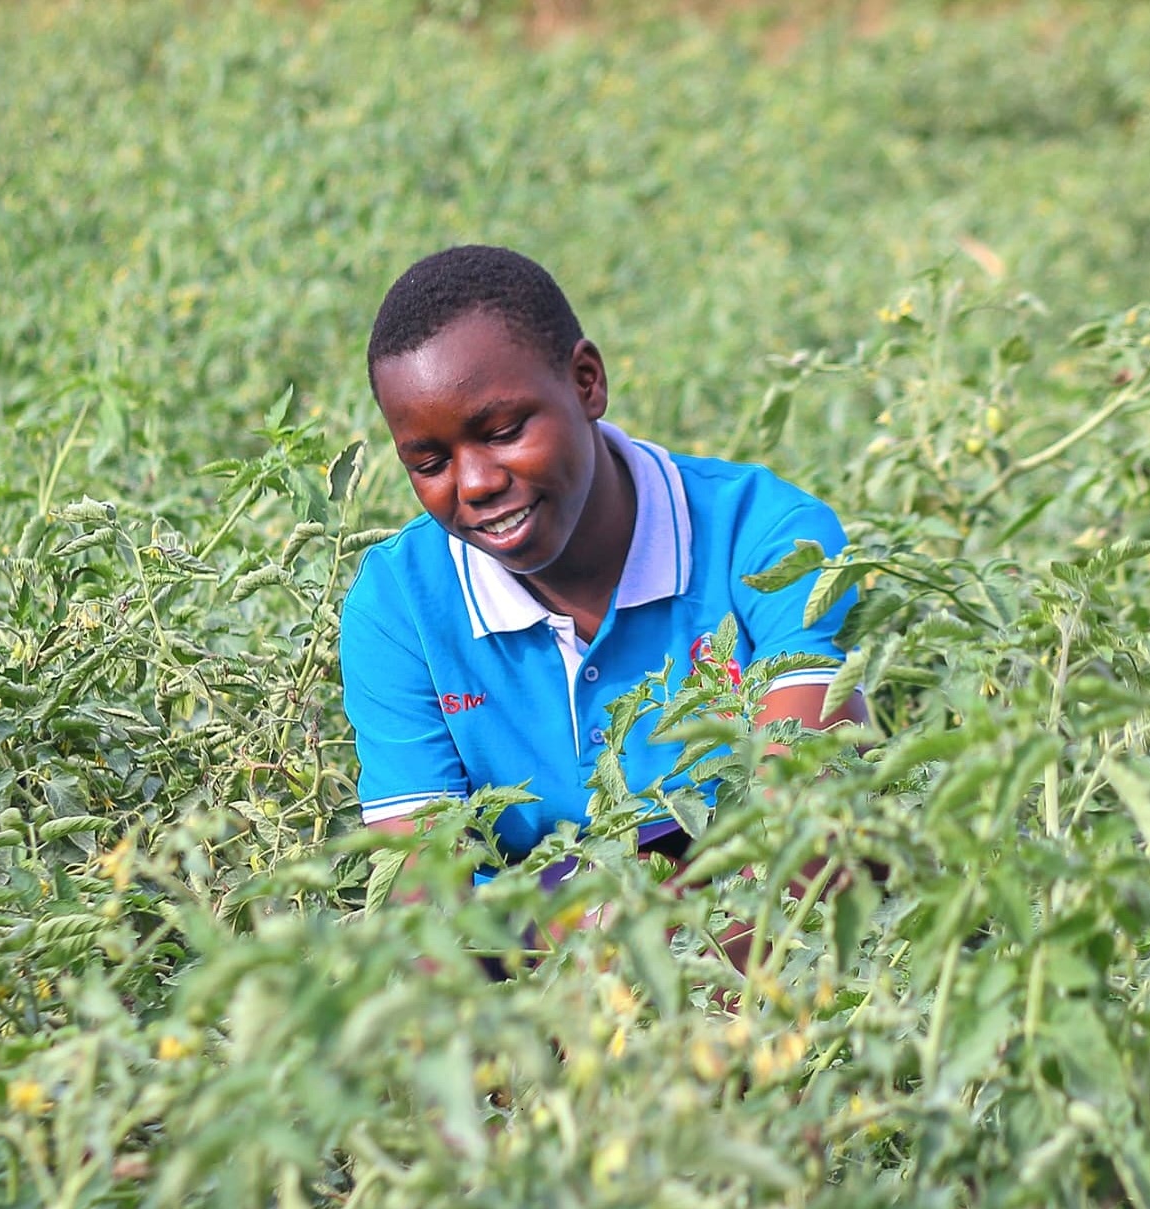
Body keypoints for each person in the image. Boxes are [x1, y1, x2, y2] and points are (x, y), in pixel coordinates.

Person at [340, 244, 863, 891]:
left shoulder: (768, 537)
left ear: (588, 381)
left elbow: (804, 823)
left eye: (503, 431)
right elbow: (424, 902)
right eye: (429, 463)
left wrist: (574, 920)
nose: (474, 483)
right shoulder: (399, 607)